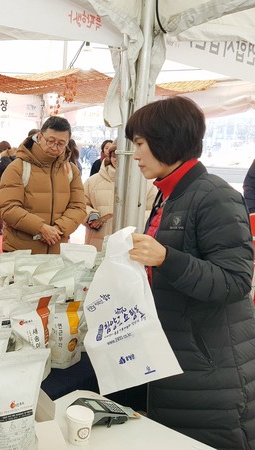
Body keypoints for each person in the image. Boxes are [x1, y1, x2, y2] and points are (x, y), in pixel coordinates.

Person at [127, 96, 255, 450]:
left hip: (211, 364)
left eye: (139, 144)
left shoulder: (215, 196)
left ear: (167, 139)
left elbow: (235, 281)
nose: (135, 155)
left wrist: (167, 258)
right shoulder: (170, 194)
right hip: (178, 352)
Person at [0, 116, 86, 254]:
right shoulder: (18, 167)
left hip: (57, 248)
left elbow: (79, 207)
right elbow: (8, 208)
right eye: (50, 141)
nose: (54, 147)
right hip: (22, 251)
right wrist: (41, 228)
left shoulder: (70, 170)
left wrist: (58, 229)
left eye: (61, 144)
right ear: (39, 137)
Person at [83, 144, 156, 250]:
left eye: (125, 155)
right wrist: (90, 215)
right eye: (115, 155)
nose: (118, 159)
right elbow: (80, 205)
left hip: (132, 244)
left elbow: (154, 212)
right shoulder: (92, 182)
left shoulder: (145, 184)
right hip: (97, 244)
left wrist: (133, 219)